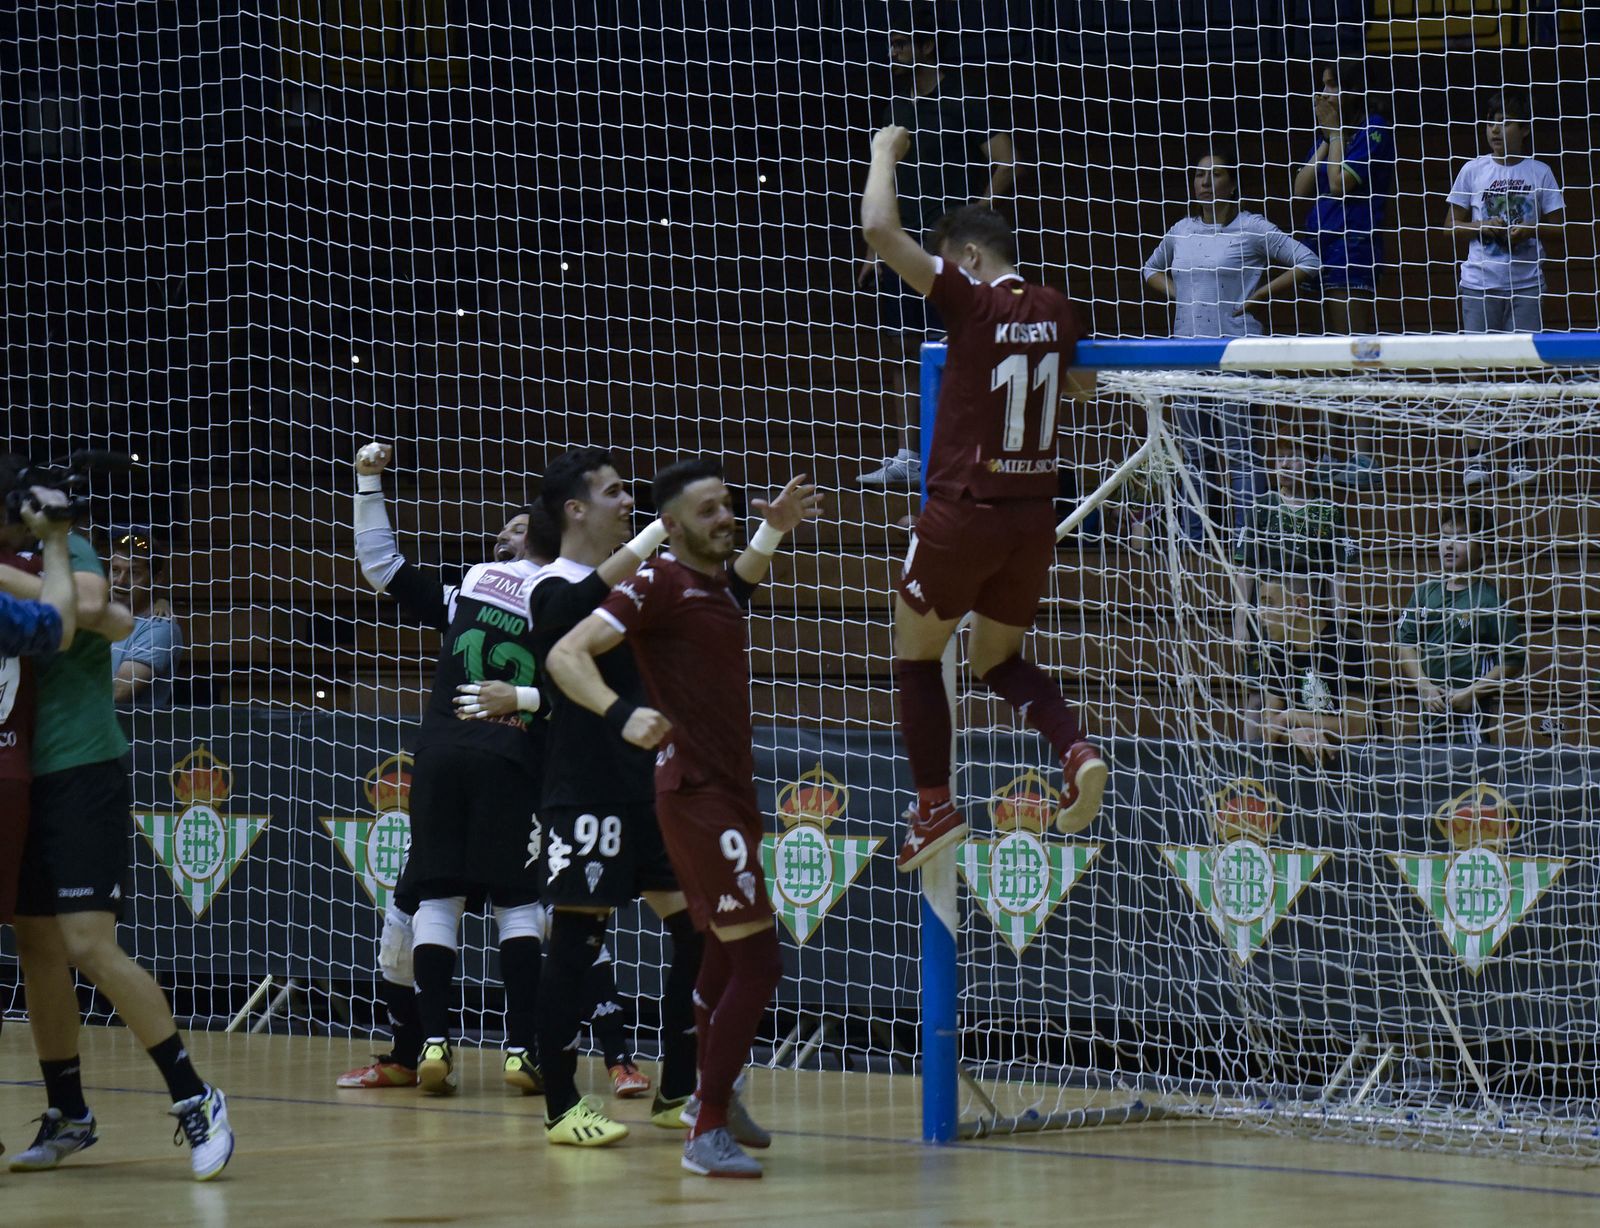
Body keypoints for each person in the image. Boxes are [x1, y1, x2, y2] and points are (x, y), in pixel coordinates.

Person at [546, 458, 821, 1178]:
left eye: (727, 505)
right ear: (668, 527)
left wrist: (772, 527)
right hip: (695, 795)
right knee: (759, 963)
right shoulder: (659, 580)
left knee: (724, 956)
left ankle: (714, 1097)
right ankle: (704, 1128)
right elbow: (565, 653)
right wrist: (619, 710)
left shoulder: (712, 589)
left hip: (731, 793)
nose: (724, 517)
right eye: (708, 511)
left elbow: (736, 588)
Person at [860, 123, 1106, 870]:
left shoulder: (970, 299)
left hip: (966, 509)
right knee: (996, 658)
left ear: (968, 258)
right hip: (1036, 518)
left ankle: (933, 808)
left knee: (914, 654)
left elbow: (878, 228)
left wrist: (882, 155)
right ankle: (1074, 748)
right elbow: (1085, 388)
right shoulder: (1059, 308)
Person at [457, 447, 704, 1147]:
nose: (628, 501)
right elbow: (571, 611)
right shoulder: (548, 585)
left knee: (697, 930)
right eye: (615, 493)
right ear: (575, 509)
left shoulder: (631, 585)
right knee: (575, 940)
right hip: (584, 789)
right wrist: (659, 530)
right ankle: (561, 1103)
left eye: (630, 494)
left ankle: (677, 1088)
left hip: (646, 786)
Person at [0, 457, 233, 1181]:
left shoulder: (64, 545)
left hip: (80, 765)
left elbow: (90, 613)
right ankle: (70, 1113)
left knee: (89, 943)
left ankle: (196, 1096)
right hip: (19, 774)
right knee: (36, 946)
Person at [338, 441, 545, 1091]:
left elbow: (379, 563)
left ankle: (432, 1045)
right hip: (511, 756)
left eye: (518, 523)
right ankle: (519, 1051)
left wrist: (368, 483)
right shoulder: (568, 599)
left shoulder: (471, 591)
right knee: (516, 904)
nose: (504, 531)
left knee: (438, 898)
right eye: (504, 525)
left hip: (442, 751)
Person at [857, 3, 1015, 490]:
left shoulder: (965, 99)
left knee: (961, 348)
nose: (894, 52)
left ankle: (961, 451)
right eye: (892, 44)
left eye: (902, 43)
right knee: (902, 349)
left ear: (927, 46)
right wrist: (873, 250)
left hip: (950, 256)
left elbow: (1007, 164)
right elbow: (891, 186)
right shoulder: (896, 108)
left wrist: (970, 224)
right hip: (903, 250)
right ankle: (908, 454)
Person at [1143, 146, 1321, 540]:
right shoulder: (1180, 230)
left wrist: (1260, 295)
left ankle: (1247, 538)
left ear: (1234, 182)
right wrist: (1180, 296)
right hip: (1186, 353)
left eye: (1216, 174)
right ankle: (1195, 535)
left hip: (1236, 352)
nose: (1206, 182)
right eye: (1200, 175)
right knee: (1193, 453)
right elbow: (1149, 269)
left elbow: (1308, 261)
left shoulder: (1251, 227)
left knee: (1241, 450)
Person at [1395, 508, 1524, 744]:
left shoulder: (1490, 601)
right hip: (1429, 714)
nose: (1449, 545)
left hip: (1467, 718)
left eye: (1461, 538)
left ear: (1484, 548)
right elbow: (1405, 644)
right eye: (1445, 536)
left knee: (1472, 777)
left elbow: (1514, 660)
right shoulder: (1424, 593)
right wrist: (1424, 685)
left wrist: (1472, 692)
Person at [1444, 91, 1566, 336]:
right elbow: (1450, 227)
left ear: (1524, 130)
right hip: (1479, 285)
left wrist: (1529, 230)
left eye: (1505, 122)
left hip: (1527, 285)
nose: (1495, 130)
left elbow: (1559, 229)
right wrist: (1482, 225)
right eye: (1490, 122)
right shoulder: (1472, 170)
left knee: (1524, 367)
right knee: (1477, 365)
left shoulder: (1540, 172)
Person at [1292, 60, 1395, 337]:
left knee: (1348, 350)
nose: (1323, 93)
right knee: (1317, 350)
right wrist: (1330, 137)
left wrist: (1335, 133)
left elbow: (1338, 184)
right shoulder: (1331, 134)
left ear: (1354, 89)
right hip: (1315, 244)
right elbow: (1300, 189)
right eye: (1323, 84)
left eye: (1332, 85)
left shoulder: (1375, 128)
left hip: (1351, 246)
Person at [1232, 433, 1359, 647]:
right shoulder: (1263, 506)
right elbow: (1246, 570)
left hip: (1310, 626)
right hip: (1268, 623)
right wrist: (1240, 624)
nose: (1285, 464)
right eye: (1280, 456)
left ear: (1312, 462)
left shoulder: (1328, 511)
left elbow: (1336, 575)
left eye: (1294, 456)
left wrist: (1340, 625)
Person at [1247, 571, 1370, 763]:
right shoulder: (1278, 652)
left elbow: (1356, 729)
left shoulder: (1346, 646)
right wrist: (1294, 735)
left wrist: (1292, 717)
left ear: (1299, 605)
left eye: (1268, 603)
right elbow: (1268, 727)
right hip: (1302, 769)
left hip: (1356, 767)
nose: (1259, 613)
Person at [108, 527, 185, 709]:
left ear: (156, 578)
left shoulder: (159, 627)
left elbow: (118, 692)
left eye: (133, 572)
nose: (120, 580)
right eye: (115, 570)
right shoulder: (97, 616)